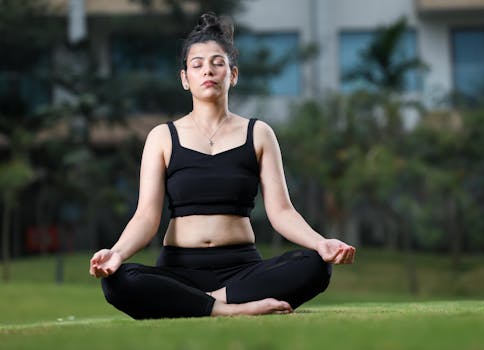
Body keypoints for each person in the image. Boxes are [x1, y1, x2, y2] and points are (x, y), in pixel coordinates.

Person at [89, 12, 356, 319]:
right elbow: (146, 217)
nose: (208, 71)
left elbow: (282, 212)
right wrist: (117, 253)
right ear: (184, 79)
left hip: (241, 269)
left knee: (315, 267)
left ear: (233, 75)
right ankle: (229, 310)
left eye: (218, 63)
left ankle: (199, 303)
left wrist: (321, 243)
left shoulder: (259, 133)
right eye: (197, 64)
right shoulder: (162, 137)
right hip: (179, 269)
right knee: (117, 281)